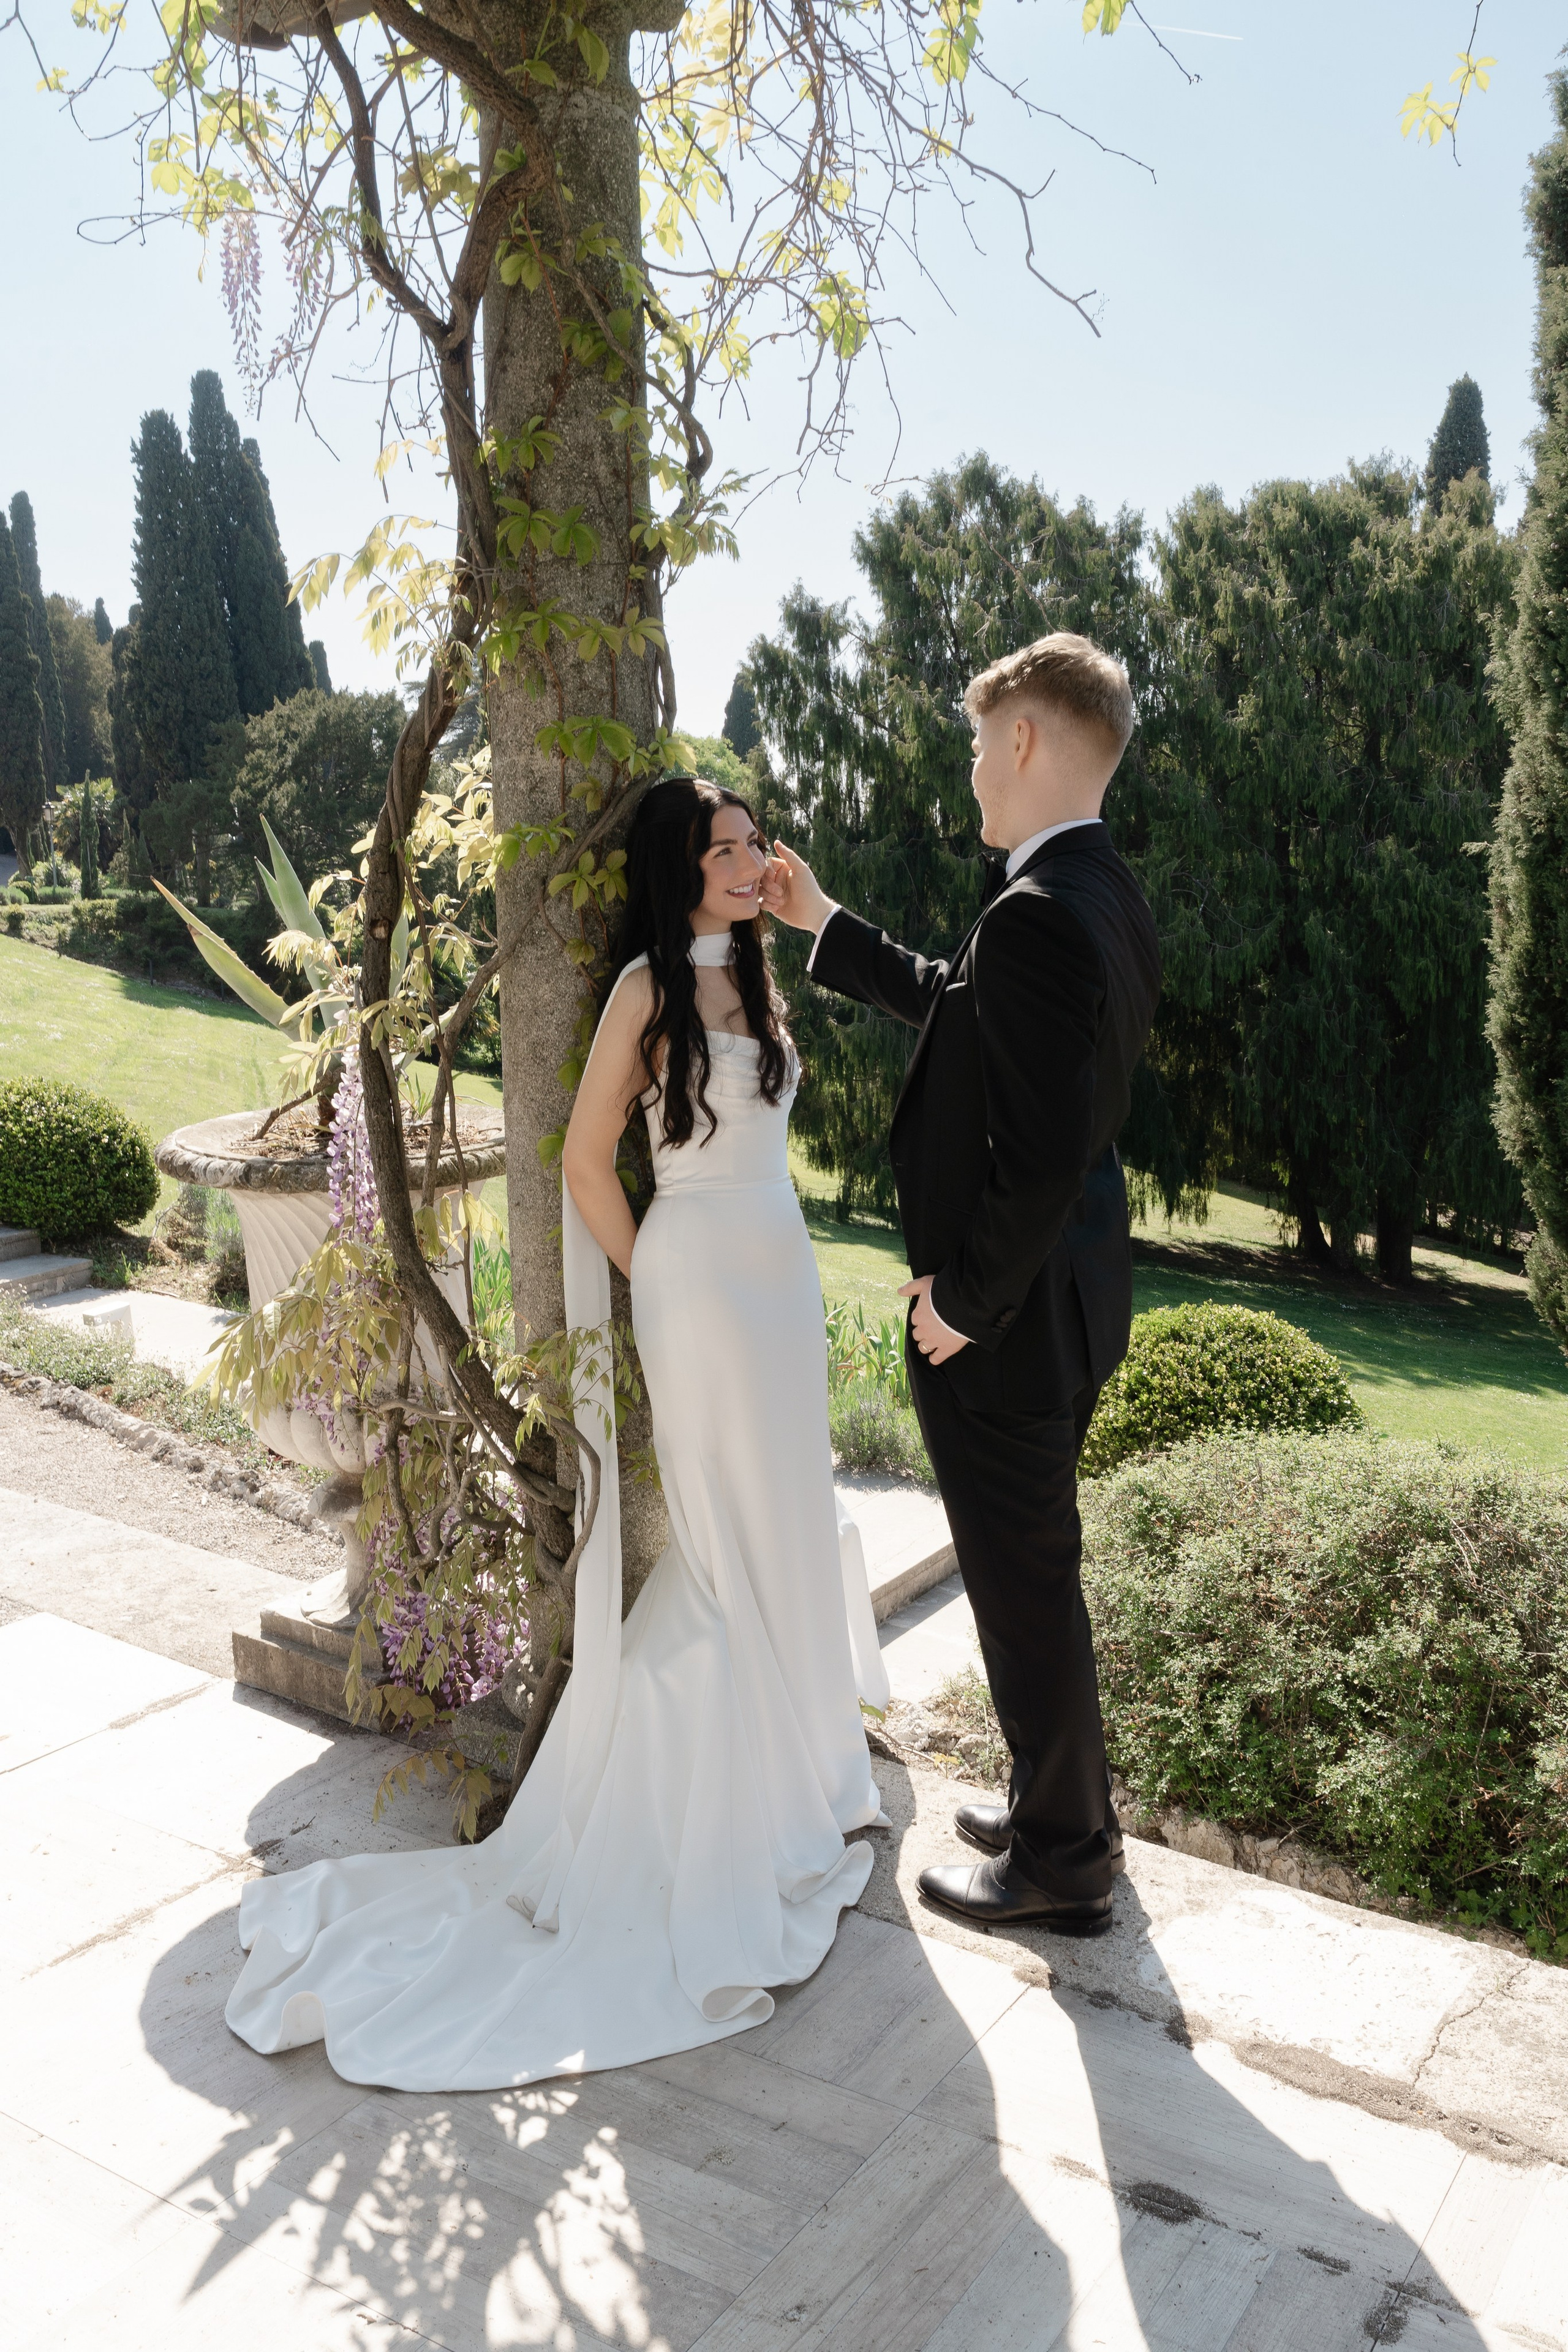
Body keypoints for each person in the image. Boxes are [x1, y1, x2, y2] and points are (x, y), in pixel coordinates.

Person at [224, 775, 887, 2092]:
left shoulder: (759, 978)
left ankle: (801, 1778)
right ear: (678, 866)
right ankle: (709, 1815)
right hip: (699, 1277)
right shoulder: (645, 988)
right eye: (728, 847)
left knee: (786, 1512)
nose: (753, 859)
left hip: (784, 1276)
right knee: (719, 1535)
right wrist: (657, 1278)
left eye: (757, 841)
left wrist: (806, 919)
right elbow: (586, 1162)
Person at [763, 631, 1161, 1936]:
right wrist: (821, 924)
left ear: (1027, 738)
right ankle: (1068, 1805)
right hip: (1075, 1302)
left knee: (1021, 1579)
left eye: (978, 744)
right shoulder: (1095, 892)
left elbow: (1040, 1157)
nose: (972, 771)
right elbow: (954, 1003)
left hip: (1010, 1322)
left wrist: (961, 1304)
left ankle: (1062, 1864)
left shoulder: (1040, 913)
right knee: (1035, 1571)